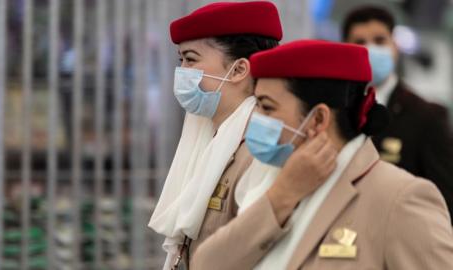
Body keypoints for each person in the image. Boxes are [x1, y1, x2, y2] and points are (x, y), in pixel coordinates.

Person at [190, 40, 453, 270]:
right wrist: (281, 197)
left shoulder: (400, 198)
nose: (256, 120)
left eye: (267, 108)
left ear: (317, 119)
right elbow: (205, 264)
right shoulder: (276, 183)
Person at [148, 1, 282, 269]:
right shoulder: (209, 135)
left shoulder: (261, 147)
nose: (182, 71)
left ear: (239, 70)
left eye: (191, 59)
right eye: (181, 60)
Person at [342, 5, 453, 219]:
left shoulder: (426, 116)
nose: (370, 49)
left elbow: (445, 200)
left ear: (395, 45)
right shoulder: (334, 112)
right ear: (345, 48)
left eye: (380, 40)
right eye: (360, 42)